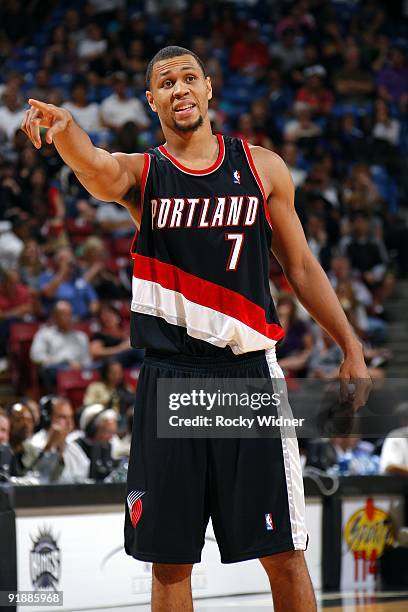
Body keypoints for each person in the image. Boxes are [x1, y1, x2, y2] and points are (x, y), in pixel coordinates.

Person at [21, 45, 371, 612]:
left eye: (189, 78)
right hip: (172, 380)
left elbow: (302, 267)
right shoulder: (145, 173)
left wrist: (349, 346)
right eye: (166, 82)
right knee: (171, 558)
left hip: (248, 379)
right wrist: (66, 132)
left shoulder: (262, 167)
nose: (179, 88)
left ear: (208, 88)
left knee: (284, 552)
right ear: (151, 100)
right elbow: (95, 167)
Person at [30, 300, 92, 392]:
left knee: (100, 368)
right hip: (56, 368)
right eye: (64, 315)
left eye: (70, 315)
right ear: (55, 317)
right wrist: (58, 361)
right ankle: (55, 399)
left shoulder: (81, 337)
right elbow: (36, 356)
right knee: (48, 371)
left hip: (78, 370)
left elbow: (87, 361)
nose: (68, 318)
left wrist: (80, 365)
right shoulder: (44, 334)